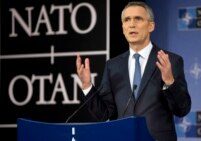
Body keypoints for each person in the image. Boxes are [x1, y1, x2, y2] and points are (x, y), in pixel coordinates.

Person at [76, 1, 191, 141]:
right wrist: (87, 86)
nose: (132, 24)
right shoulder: (113, 66)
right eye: (127, 20)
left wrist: (169, 82)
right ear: (123, 28)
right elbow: (104, 114)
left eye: (138, 19)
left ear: (151, 26)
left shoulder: (170, 61)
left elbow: (182, 109)